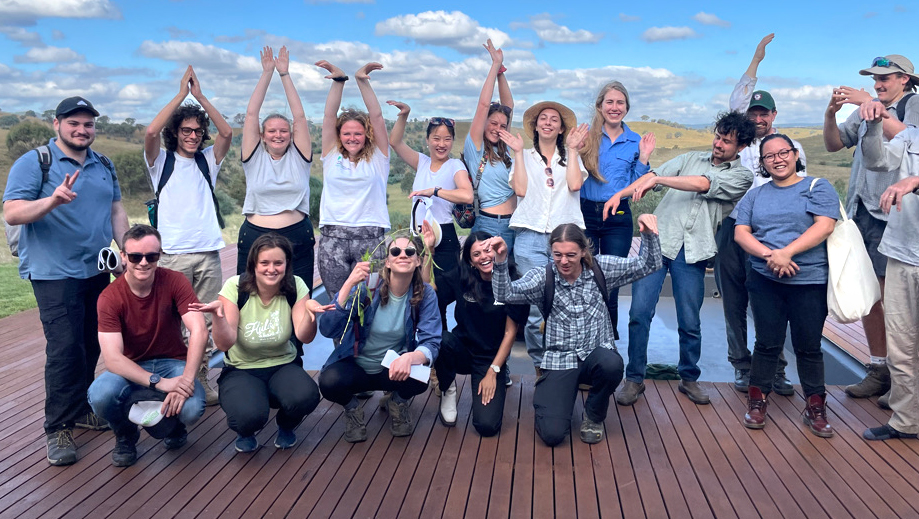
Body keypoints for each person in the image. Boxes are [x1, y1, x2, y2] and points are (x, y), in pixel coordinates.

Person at [3, 96, 129, 466]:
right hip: (52, 272)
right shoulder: (35, 163)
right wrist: (52, 201)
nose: (82, 129)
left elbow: (115, 209)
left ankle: (81, 409)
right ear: (56, 124)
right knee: (64, 349)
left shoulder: (103, 163)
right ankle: (57, 427)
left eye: (88, 124)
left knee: (91, 342)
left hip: (96, 270)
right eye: (74, 122)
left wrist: (128, 253)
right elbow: (12, 212)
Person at [607, 111, 755, 407]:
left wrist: (660, 178)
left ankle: (689, 378)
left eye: (727, 141)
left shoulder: (742, 176)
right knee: (638, 313)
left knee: (689, 320)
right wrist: (618, 196)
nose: (719, 144)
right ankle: (634, 379)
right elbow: (651, 176)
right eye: (718, 137)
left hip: (693, 251)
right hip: (657, 244)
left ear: (740, 147)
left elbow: (702, 184)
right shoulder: (689, 158)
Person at [491, 218, 662, 445]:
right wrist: (501, 261)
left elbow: (649, 265)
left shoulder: (602, 268)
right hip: (559, 359)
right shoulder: (543, 277)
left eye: (571, 255)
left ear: (583, 251)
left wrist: (650, 234)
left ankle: (593, 414)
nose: (563, 261)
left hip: (595, 353)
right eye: (557, 254)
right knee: (552, 434)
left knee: (612, 364)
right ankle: (556, 396)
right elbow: (505, 295)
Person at [824, 54, 919, 400]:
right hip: (861, 209)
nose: (878, 84)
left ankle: (900, 377)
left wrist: (873, 106)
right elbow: (834, 144)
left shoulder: (914, 104)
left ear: (905, 79)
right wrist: (830, 114)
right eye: (875, 79)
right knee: (868, 292)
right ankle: (879, 368)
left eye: (886, 78)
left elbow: (913, 139)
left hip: (895, 216)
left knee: (892, 297)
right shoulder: (867, 108)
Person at [733, 134, 839, 437]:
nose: (778, 159)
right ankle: (757, 402)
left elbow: (825, 225)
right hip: (765, 279)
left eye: (783, 153)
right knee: (767, 343)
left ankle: (816, 407)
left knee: (808, 346)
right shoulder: (755, 196)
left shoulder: (817, 187)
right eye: (770, 156)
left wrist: (787, 252)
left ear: (795, 155)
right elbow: (742, 233)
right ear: (763, 163)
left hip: (809, 281)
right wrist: (772, 256)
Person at [720, 33, 807, 394]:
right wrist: (756, 59)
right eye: (752, 112)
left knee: (771, 302)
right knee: (734, 300)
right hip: (732, 227)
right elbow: (738, 94)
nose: (757, 117)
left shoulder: (790, 147)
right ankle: (741, 365)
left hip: (771, 233)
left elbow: (800, 189)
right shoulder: (737, 142)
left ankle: (775, 368)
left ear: (773, 115)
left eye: (763, 112)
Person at [144, 65, 233, 406]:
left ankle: (200, 380)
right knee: (172, 321)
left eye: (197, 131)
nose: (193, 136)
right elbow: (151, 131)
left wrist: (201, 98)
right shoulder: (160, 161)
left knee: (205, 322)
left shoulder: (207, 161)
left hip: (208, 252)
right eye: (186, 130)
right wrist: (182, 94)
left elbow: (226, 133)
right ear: (176, 132)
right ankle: (173, 378)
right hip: (172, 255)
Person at [191, 234, 330, 452]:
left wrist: (311, 316)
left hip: (283, 364)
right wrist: (218, 316)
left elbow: (305, 337)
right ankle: (246, 430)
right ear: (253, 264)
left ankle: (286, 424)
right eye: (264, 263)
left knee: (306, 396)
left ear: (287, 264)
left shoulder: (296, 285)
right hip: (242, 368)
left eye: (278, 263)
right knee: (248, 415)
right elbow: (226, 343)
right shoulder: (235, 287)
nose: (271, 269)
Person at [88, 225, 207, 466]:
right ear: (123, 256)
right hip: (129, 367)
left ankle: (172, 425)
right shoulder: (109, 297)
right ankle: (125, 433)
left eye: (151, 256)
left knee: (192, 408)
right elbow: (112, 359)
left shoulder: (175, 281)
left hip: (172, 361)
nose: (143, 262)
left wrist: (184, 381)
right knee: (100, 396)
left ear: (159, 255)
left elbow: (199, 330)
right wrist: (161, 383)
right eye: (135, 257)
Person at [318, 234, 441, 443]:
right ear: (388, 261)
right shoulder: (367, 287)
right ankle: (353, 408)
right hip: (357, 367)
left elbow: (432, 341)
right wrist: (348, 283)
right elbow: (328, 329)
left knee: (420, 376)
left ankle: (397, 401)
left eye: (410, 252)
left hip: (391, 369)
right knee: (329, 382)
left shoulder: (425, 294)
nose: (403, 255)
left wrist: (410, 358)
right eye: (395, 251)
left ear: (418, 260)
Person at [498, 101, 589, 372]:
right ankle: (541, 366)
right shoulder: (523, 155)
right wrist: (516, 153)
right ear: (535, 126)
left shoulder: (571, 155)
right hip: (530, 236)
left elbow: (574, 184)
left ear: (561, 128)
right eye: (543, 119)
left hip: (565, 238)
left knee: (566, 302)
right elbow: (522, 190)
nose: (548, 122)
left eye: (554, 120)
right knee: (538, 305)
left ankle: (565, 364)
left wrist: (573, 150)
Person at [858, 102, 919, 441]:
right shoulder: (910, 136)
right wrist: (873, 125)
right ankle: (907, 420)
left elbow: (910, 180)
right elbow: (876, 161)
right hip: (901, 251)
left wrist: (915, 180)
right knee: (901, 342)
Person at [429, 231, 528, 436]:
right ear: (471, 262)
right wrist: (428, 251)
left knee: (487, 426)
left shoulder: (512, 282)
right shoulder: (462, 276)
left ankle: (490, 380)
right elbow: (431, 291)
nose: (484, 256)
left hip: (490, 359)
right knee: (442, 340)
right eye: (476, 254)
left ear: (498, 251)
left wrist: (493, 372)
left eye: (488, 250)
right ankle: (448, 388)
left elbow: (510, 333)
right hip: (462, 350)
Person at [578, 80, 655, 340]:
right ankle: (584, 337)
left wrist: (643, 157)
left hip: (618, 217)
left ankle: (607, 342)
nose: (614, 107)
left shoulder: (635, 141)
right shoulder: (587, 137)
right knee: (585, 278)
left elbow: (637, 184)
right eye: (609, 102)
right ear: (600, 107)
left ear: (626, 107)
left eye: (619, 102)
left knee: (610, 280)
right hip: (585, 213)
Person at [237, 46, 316, 292]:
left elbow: (300, 117)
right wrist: (267, 73)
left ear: (291, 135)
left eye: (283, 131)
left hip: (297, 235)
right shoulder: (253, 157)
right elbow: (251, 115)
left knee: (298, 298)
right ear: (262, 135)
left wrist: (285, 75)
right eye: (272, 131)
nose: (278, 135)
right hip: (255, 236)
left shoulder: (300, 157)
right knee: (248, 297)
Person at [315, 60, 390, 297]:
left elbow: (377, 117)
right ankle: (340, 338)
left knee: (372, 300)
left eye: (358, 133)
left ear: (366, 135)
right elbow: (328, 117)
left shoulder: (379, 158)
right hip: (332, 238)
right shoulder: (331, 154)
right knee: (338, 301)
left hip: (370, 238)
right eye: (346, 133)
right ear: (339, 135)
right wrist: (338, 81)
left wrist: (362, 81)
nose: (352, 138)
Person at [388, 100, 472, 276]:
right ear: (427, 140)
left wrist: (434, 191)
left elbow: (467, 195)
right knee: (418, 290)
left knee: (443, 292)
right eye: (436, 138)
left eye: (447, 139)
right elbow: (395, 142)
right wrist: (404, 115)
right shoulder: (421, 162)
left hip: (444, 236)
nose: (442, 144)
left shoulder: (455, 165)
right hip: (418, 236)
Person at [465, 39, 517, 251]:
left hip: (514, 223)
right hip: (489, 223)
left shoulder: (504, 149)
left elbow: (509, 106)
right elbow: (484, 105)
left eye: (502, 125)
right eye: (493, 123)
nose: (497, 128)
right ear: (484, 122)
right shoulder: (475, 147)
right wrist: (494, 64)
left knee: (510, 280)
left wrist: (501, 71)